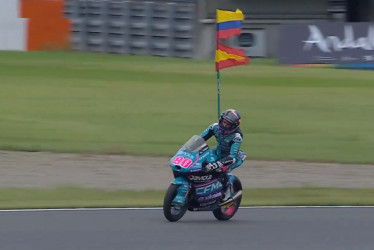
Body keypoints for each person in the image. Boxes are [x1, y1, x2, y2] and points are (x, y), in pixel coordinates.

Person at [200, 109, 246, 203]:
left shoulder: (237, 136)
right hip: (217, 152)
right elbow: (200, 139)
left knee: (220, 170)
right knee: (201, 162)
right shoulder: (214, 127)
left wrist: (217, 164)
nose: (225, 125)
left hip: (231, 158)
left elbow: (232, 157)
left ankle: (227, 192)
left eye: (228, 124)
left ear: (233, 126)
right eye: (224, 122)